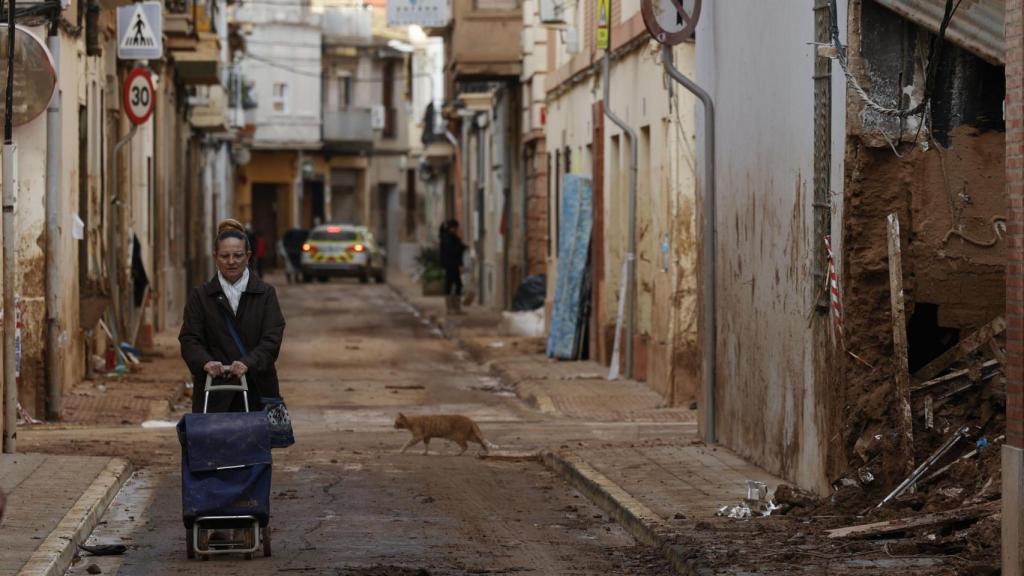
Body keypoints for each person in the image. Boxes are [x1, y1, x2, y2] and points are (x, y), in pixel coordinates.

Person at [179, 219, 286, 413]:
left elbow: (272, 338)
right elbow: (189, 338)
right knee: (214, 442)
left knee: (254, 442)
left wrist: (248, 363)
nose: (231, 262)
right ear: (215, 257)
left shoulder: (265, 293)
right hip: (214, 394)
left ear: (248, 256)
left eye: (237, 255)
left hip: (257, 392)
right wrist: (206, 362)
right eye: (224, 256)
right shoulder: (201, 296)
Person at [439, 219, 467, 315]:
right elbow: (453, 251)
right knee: (456, 284)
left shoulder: (448, 237)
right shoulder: (449, 238)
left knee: (451, 284)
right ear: (452, 228)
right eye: (456, 228)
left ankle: (453, 308)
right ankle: (453, 308)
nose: (457, 229)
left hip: (449, 265)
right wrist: (462, 247)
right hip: (452, 265)